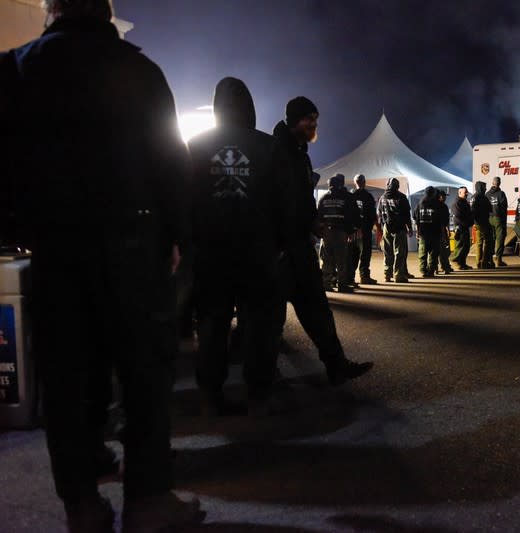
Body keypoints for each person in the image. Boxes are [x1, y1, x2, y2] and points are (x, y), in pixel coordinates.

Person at [1, 1, 205, 530]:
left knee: (68, 373)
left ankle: (82, 506)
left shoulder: (15, 68)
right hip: (132, 242)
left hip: (53, 246)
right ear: (105, 12)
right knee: (143, 372)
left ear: (51, 11)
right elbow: (171, 160)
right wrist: (179, 236)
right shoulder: (139, 70)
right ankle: (148, 500)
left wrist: (17, 230)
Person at [188, 77, 291, 416]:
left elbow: (182, 198)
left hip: (210, 251)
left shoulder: (196, 145)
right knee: (260, 322)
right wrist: (281, 243)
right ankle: (260, 389)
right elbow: (282, 201)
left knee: (212, 323)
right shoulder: (267, 146)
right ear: (250, 106)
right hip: (256, 250)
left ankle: (210, 393)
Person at [270, 97, 373, 388]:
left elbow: (301, 201)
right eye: (308, 118)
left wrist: (313, 222)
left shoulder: (300, 153)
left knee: (318, 310)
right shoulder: (277, 150)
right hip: (281, 249)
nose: (314, 124)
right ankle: (262, 385)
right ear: (294, 119)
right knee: (270, 320)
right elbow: (276, 201)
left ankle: (336, 366)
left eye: (315, 118)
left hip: (300, 246)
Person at [318, 173, 359, 292]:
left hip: (327, 232)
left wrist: (320, 231)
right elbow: (351, 216)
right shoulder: (345, 197)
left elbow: (318, 216)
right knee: (341, 259)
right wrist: (351, 231)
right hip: (341, 232)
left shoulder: (323, 198)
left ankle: (326, 283)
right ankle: (342, 284)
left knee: (327, 259)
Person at [378, 177, 413, 282]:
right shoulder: (401, 197)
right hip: (399, 228)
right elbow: (407, 214)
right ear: (397, 186)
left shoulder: (382, 197)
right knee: (399, 252)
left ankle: (387, 274)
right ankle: (398, 275)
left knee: (388, 252)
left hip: (387, 227)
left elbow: (379, 213)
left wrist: (382, 226)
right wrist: (410, 227)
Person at [349, 174, 378, 285]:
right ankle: (364, 276)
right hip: (365, 229)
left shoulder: (351, 196)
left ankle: (350, 277)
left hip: (353, 230)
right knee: (365, 254)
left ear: (355, 182)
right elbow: (372, 214)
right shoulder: (368, 196)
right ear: (364, 182)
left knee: (353, 254)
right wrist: (374, 226)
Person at [413, 186, 442, 277]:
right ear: (433, 193)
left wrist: (417, 231)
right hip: (434, 232)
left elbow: (415, 218)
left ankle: (423, 270)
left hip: (423, 233)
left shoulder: (419, 204)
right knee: (433, 253)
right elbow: (440, 219)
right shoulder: (437, 204)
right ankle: (431, 270)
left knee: (423, 252)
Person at [486, 176, 509, 266]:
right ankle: (498, 260)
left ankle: (490, 259)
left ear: (492, 183)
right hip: (498, 218)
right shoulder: (501, 194)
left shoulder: (487, 194)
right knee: (500, 238)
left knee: (491, 239)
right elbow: (504, 207)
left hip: (489, 218)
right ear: (499, 183)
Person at [471, 181, 494, 268]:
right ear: (480, 188)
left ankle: (478, 262)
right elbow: (489, 209)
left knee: (479, 243)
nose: (485, 189)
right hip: (483, 222)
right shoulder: (482, 197)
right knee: (488, 242)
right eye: (484, 187)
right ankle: (484, 262)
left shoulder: (473, 197)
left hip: (476, 223)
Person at [451, 186, 474, 270]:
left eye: (467, 192)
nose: (467, 194)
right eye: (465, 192)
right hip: (460, 227)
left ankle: (462, 263)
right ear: (460, 193)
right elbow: (458, 216)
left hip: (465, 226)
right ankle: (455, 260)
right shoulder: (457, 203)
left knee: (466, 246)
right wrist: (467, 222)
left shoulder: (464, 202)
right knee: (460, 246)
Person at [435, 189, 454, 274]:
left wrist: (448, 230)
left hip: (439, 229)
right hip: (440, 230)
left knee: (443, 250)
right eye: (444, 196)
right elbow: (446, 220)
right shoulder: (442, 206)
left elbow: (446, 220)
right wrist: (447, 230)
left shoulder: (439, 205)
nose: (445, 197)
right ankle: (445, 266)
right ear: (440, 196)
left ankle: (442, 266)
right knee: (444, 250)